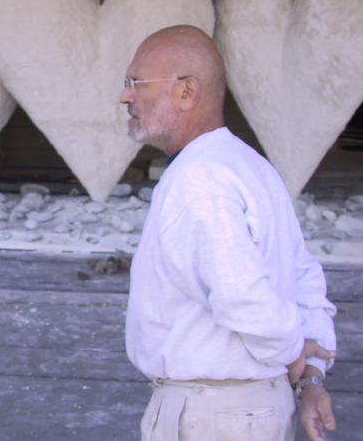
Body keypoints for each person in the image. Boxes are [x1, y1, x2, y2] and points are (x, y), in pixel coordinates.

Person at [121, 25, 337, 441]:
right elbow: (304, 277)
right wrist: (311, 374)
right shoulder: (248, 165)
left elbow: (242, 298)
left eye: (136, 83)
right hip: (243, 410)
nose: (125, 97)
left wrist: (295, 354)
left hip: (213, 416)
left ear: (187, 92)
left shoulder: (201, 177)